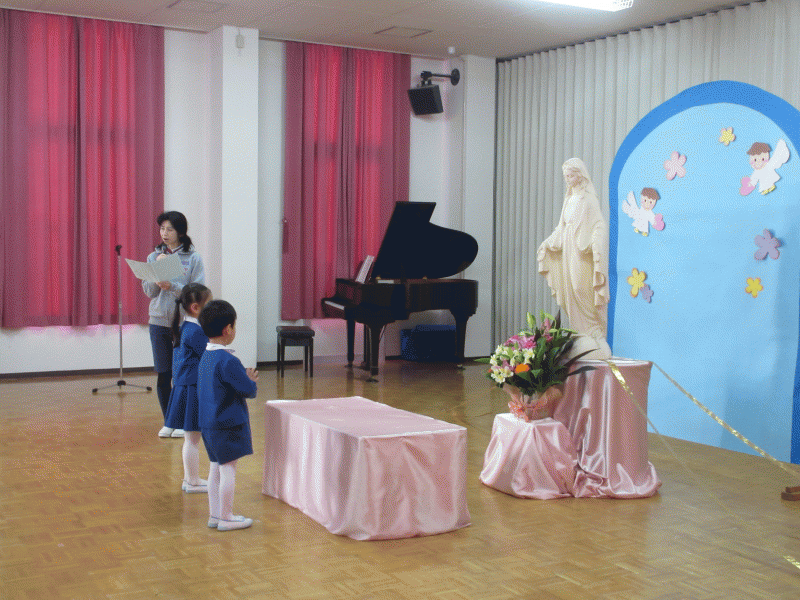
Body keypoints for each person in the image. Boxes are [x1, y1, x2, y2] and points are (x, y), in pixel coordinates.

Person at [537, 158, 611, 359]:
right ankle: (580, 332)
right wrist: (548, 242)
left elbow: (599, 224)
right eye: (566, 176)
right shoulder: (569, 199)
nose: (567, 179)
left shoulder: (589, 199)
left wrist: (596, 243)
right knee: (570, 289)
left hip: (582, 251)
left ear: (580, 175)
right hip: (568, 249)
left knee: (581, 287)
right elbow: (562, 228)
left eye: (570, 175)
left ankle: (594, 331)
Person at [142, 211, 205, 438]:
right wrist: (156, 277)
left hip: (184, 323)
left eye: (169, 229)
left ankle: (182, 421)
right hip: (158, 321)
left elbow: (198, 293)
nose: (164, 233)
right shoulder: (153, 256)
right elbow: (149, 292)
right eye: (162, 229)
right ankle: (169, 421)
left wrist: (173, 286)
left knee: (182, 374)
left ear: (180, 231)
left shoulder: (193, 258)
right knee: (163, 373)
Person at [197, 300, 259, 532]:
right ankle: (226, 516)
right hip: (228, 423)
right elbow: (248, 390)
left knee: (215, 468)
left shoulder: (206, 356)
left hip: (209, 423)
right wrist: (250, 380)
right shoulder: (228, 361)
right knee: (228, 470)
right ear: (227, 329)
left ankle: (215, 515)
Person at [165, 283, 213, 493]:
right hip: (192, 389)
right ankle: (192, 481)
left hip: (185, 387)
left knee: (190, 439)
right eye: (209, 304)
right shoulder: (195, 332)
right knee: (193, 439)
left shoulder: (186, 327)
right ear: (195, 307)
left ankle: (189, 479)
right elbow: (208, 356)